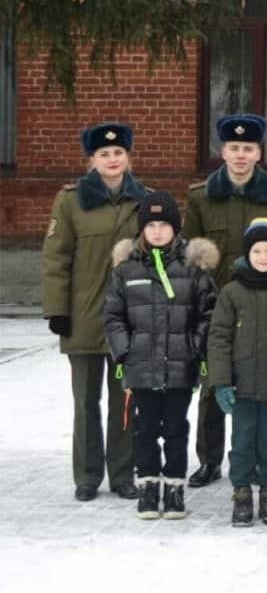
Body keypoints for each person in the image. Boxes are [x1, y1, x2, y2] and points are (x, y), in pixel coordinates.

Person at [184, 113, 267, 490]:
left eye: (247, 148)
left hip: (263, 306)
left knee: (259, 387)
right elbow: (189, 257)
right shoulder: (200, 197)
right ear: (223, 150)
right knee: (212, 384)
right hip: (215, 305)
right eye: (233, 148)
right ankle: (209, 459)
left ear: (258, 152)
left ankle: (259, 464)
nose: (239, 155)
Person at [42, 121, 147, 502]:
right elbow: (56, 258)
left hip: (129, 321)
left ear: (128, 157)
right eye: (104, 154)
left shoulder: (145, 200)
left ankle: (122, 475)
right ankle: (87, 476)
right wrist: (57, 309)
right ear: (92, 159)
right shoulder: (70, 201)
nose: (112, 159)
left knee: (125, 402)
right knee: (86, 401)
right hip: (83, 316)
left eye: (118, 153)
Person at [102, 191, 218, 519]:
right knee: (145, 429)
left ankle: (175, 488)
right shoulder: (126, 269)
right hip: (141, 365)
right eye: (150, 225)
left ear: (175, 229)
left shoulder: (192, 267)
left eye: (163, 225)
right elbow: (113, 316)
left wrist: (195, 346)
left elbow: (209, 311)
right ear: (142, 229)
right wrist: (125, 352)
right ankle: (149, 487)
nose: (156, 231)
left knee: (176, 429)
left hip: (180, 365)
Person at [207, 218, 267, 527]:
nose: (264, 257)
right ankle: (241, 495)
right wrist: (221, 382)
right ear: (247, 254)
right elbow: (219, 338)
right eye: (257, 251)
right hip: (242, 386)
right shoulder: (232, 292)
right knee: (242, 443)